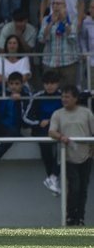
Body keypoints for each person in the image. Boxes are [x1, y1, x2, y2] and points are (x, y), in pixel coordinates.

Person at [50, 84, 94, 225]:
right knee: (74, 187)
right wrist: (61, 137)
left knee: (83, 188)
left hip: (86, 156)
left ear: (75, 98)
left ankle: (80, 218)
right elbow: (51, 131)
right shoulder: (58, 114)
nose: (64, 99)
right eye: (62, 96)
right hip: (67, 157)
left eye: (67, 97)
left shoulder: (86, 113)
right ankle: (70, 216)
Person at [25, 70, 65, 195]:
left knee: (62, 149)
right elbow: (26, 117)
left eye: (52, 83)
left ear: (58, 83)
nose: (49, 86)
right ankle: (52, 179)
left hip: (60, 131)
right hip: (42, 131)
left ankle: (52, 179)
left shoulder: (64, 96)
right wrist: (38, 122)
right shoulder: (37, 96)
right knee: (46, 146)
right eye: (47, 83)